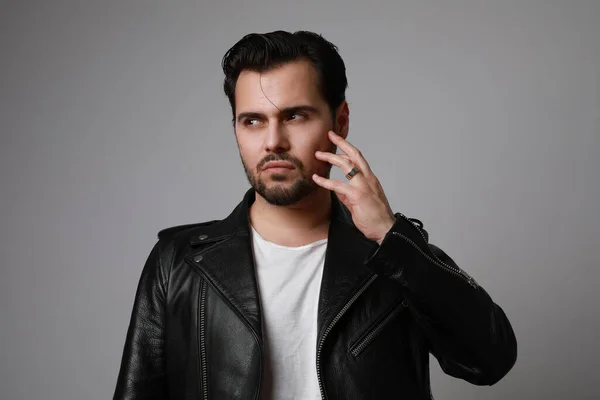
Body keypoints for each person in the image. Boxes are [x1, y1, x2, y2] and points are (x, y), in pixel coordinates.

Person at [113, 30, 517, 400]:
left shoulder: (393, 254)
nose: (273, 142)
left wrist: (392, 236)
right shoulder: (178, 262)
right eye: (252, 121)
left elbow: (489, 360)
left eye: (295, 116)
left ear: (339, 121)